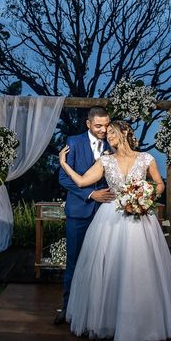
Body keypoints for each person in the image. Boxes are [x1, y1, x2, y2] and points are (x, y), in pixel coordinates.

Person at [58, 120, 171, 341]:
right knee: (110, 269)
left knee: (139, 269)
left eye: (112, 132)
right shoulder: (105, 160)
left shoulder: (146, 158)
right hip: (110, 218)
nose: (108, 136)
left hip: (140, 219)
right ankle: (109, 322)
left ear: (124, 132)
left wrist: (145, 197)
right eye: (106, 134)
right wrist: (64, 164)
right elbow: (83, 181)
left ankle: (142, 325)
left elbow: (159, 184)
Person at [55, 107, 115, 325]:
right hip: (79, 212)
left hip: (108, 214)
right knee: (74, 262)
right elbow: (64, 178)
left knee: (105, 263)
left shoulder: (114, 142)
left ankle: (99, 312)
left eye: (107, 125)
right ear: (88, 124)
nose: (104, 129)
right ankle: (68, 309)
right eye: (99, 125)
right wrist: (91, 194)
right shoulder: (74, 141)